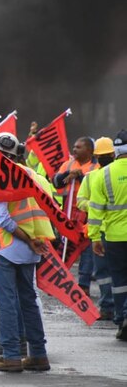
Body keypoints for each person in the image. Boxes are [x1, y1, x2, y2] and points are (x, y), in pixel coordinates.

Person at [0, 134, 54, 372]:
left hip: (7, 247)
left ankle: (11, 356)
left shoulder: (0, 176)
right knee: (28, 301)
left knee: (7, 302)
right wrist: (34, 239)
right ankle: (38, 355)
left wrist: (28, 239)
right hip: (31, 249)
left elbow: (3, 219)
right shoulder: (34, 175)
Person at [89, 130, 127, 342]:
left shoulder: (103, 174)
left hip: (114, 237)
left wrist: (95, 237)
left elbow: (95, 209)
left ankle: (122, 318)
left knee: (119, 280)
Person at [52, 137, 99, 294]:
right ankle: (57, 281)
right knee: (64, 247)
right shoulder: (69, 164)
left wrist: (80, 177)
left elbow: (96, 186)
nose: (74, 150)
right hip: (68, 213)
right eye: (74, 146)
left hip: (87, 214)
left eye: (78, 147)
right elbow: (56, 181)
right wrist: (67, 174)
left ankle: (84, 284)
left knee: (86, 249)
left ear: (89, 150)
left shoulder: (96, 167)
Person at [78, 137, 115, 321]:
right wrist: (95, 205)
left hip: (108, 231)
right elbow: (80, 201)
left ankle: (114, 306)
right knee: (104, 272)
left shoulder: (113, 174)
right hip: (101, 230)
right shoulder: (91, 177)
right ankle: (108, 306)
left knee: (110, 271)